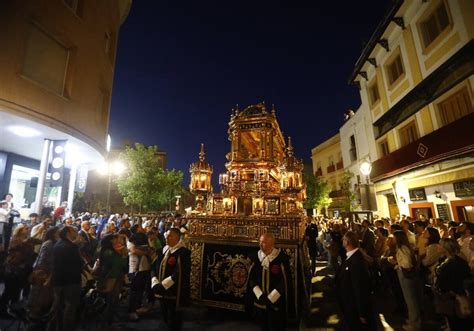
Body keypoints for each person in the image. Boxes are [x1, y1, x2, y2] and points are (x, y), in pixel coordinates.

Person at [248, 232, 293, 331]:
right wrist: (260, 295)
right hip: (260, 301)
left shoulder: (282, 259)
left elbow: (284, 281)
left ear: (271, 244)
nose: (260, 244)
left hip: (276, 303)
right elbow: (252, 279)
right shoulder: (255, 257)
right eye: (260, 242)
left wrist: (271, 298)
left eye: (263, 242)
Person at [151, 228, 190, 331]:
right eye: (166, 236)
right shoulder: (162, 251)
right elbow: (154, 267)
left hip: (173, 291)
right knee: (164, 316)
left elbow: (180, 272)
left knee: (174, 318)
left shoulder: (183, 253)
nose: (166, 238)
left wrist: (164, 284)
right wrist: (155, 282)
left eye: (170, 236)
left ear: (177, 238)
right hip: (160, 291)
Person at [336, 231, 376, 331]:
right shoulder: (351, 257)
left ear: (348, 242)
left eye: (344, 239)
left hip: (353, 306)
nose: (342, 240)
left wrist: (362, 312)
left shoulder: (356, 261)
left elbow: (359, 287)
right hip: (349, 303)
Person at [47, 226, 83, 331]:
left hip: (59, 280)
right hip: (70, 281)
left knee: (57, 306)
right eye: (74, 231)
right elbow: (77, 263)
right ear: (68, 233)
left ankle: (53, 327)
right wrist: (77, 246)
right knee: (70, 308)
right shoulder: (71, 246)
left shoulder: (58, 244)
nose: (76, 232)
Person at [434, 238, 473, 331]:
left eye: (440, 244)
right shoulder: (446, 260)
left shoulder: (453, 263)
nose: (437, 246)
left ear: (446, 248)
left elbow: (451, 281)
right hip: (451, 297)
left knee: (458, 323)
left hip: (453, 298)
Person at [389, 231, 421, 331]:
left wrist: (396, 262)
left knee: (410, 299)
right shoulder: (403, 248)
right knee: (409, 299)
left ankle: (415, 324)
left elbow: (407, 264)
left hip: (405, 275)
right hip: (405, 274)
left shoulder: (403, 248)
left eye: (394, 237)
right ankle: (412, 319)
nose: (392, 239)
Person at [97, 233, 127, 330]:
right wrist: (122, 256)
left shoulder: (108, 251)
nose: (119, 240)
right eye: (117, 238)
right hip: (111, 280)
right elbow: (117, 265)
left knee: (110, 302)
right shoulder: (109, 252)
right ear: (112, 240)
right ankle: (106, 325)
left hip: (111, 278)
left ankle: (108, 323)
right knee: (110, 302)